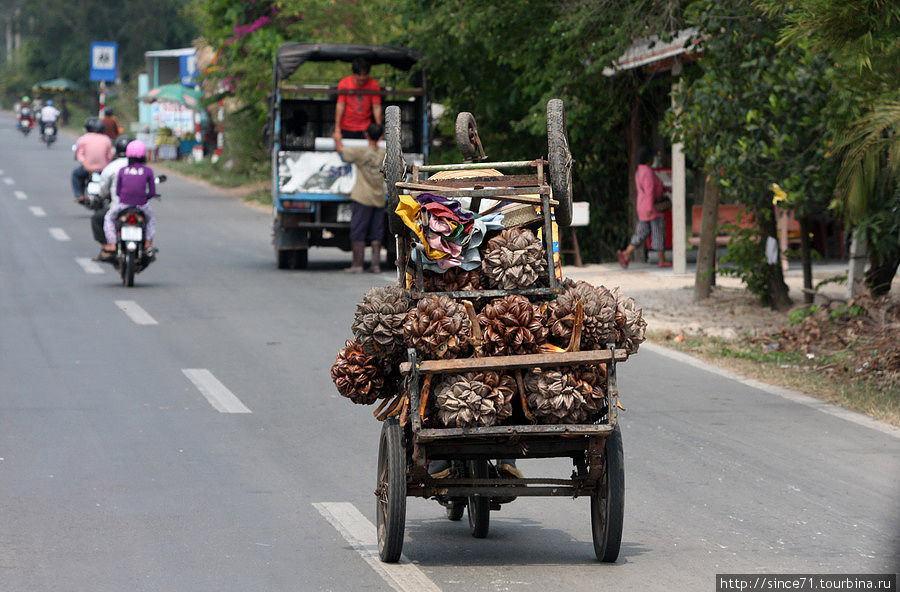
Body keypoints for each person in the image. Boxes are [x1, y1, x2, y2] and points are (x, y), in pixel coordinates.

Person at [337, 123, 386, 273]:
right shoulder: (384, 154)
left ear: (366, 135)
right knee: (377, 231)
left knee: (358, 230)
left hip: (363, 197)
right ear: (381, 137)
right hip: (379, 198)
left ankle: (357, 265)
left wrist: (337, 138)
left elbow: (342, 152)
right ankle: (375, 265)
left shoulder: (361, 152)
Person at [99, 141, 156, 261]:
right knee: (150, 220)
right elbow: (151, 192)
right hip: (142, 205)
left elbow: (118, 192)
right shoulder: (148, 171)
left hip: (123, 205)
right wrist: (143, 198)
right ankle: (148, 243)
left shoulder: (122, 170)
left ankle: (113, 244)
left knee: (108, 219)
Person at [617, 146, 671, 268]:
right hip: (652, 208)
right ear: (649, 159)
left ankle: (626, 253)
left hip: (642, 207)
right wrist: (651, 207)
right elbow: (650, 191)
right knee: (658, 232)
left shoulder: (639, 171)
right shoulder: (648, 172)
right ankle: (661, 261)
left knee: (641, 233)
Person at [90, 135, 132, 252]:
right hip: (139, 207)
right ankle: (147, 244)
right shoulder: (140, 168)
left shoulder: (112, 167)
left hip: (118, 206)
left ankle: (108, 246)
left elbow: (103, 189)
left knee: (98, 219)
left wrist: (101, 195)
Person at [332, 58, 383, 152]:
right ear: (354, 73)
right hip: (346, 128)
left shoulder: (374, 85)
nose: (362, 78)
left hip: (365, 129)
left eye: (365, 75)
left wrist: (378, 130)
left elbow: (376, 107)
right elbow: (340, 105)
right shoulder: (344, 83)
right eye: (359, 75)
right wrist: (337, 129)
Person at [72, 118, 114, 203]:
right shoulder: (106, 139)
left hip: (87, 169)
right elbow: (110, 156)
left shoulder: (83, 139)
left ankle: (79, 195)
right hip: (104, 169)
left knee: (75, 175)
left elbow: (79, 155)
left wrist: (84, 163)